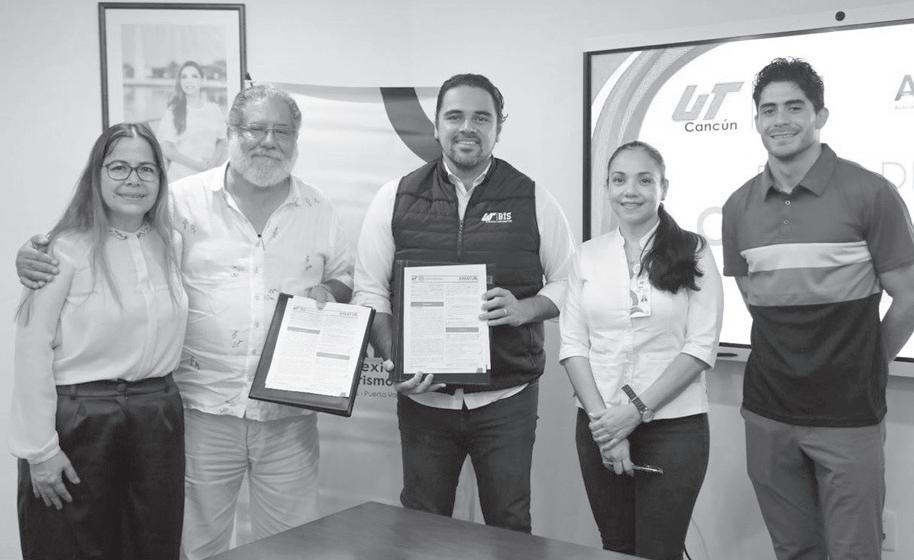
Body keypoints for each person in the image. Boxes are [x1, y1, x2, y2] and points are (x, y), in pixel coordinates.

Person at [17, 85, 354, 560]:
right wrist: (35, 252)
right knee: (193, 546)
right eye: (256, 128)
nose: (268, 141)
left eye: (282, 131)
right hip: (200, 412)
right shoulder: (179, 205)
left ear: (296, 139)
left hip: (283, 419)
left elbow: (345, 277)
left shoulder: (318, 210)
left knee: (290, 545)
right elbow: (101, 243)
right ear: (231, 132)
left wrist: (330, 291)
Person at [352, 73, 575, 533]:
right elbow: (370, 290)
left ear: (499, 126)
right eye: (455, 116)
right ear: (436, 126)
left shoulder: (533, 197)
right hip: (425, 402)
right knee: (423, 524)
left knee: (509, 525)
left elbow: (569, 282)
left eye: (481, 118)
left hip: (506, 400)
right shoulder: (395, 197)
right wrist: (396, 359)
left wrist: (526, 309)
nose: (467, 128)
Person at [722, 58, 914, 560]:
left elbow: (910, 296)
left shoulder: (870, 192)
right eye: (768, 110)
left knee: (855, 552)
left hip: (848, 413)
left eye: (794, 107)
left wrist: (869, 361)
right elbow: (755, 299)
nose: (780, 120)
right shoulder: (738, 207)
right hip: (767, 410)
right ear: (756, 120)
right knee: (794, 550)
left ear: (820, 115)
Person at [10, 123, 188, 560]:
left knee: (151, 545)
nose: (133, 180)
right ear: (97, 174)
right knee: (69, 546)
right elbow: (31, 352)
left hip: (156, 420)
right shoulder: (61, 250)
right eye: (119, 167)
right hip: (81, 422)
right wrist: (40, 451)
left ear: (160, 179)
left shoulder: (172, 243)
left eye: (146, 169)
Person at [559, 141, 723, 559]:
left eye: (644, 180)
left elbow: (701, 345)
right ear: (607, 188)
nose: (630, 190)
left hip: (674, 426)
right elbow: (573, 344)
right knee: (615, 547)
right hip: (598, 423)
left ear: (663, 188)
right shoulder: (588, 255)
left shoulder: (693, 250)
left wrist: (632, 414)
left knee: (659, 550)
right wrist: (605, 426)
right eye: (619, 180)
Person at [156, 60, 227, 181]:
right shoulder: (173, 111)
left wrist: (213, 162)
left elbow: (222, 140)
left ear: (202, 80)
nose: (189, 81)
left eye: (194, 76)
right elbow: (165, 148)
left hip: (209, 174)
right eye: (184, 77)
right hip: (182, 177)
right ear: (180, 82)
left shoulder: (214, 109)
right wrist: (195, 165)